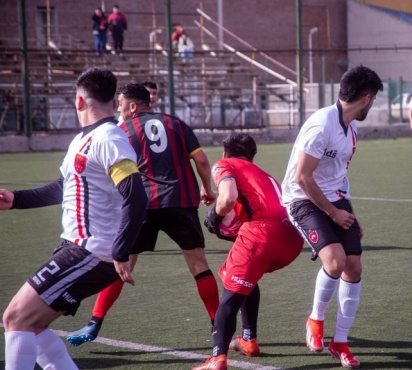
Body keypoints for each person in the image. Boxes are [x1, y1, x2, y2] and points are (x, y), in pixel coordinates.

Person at [1, 67, 147, 369]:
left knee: (15, 318)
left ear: (79, 101)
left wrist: (121, 251)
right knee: (33, 325)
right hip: (79, 250)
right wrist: (17, 199)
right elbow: (64, 188)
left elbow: (136, 195)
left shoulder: (108, 138)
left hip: (92, 252)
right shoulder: (85, 139)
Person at [67, 83, 220, 346]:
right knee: (199, 265)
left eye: (122, 104)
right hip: (181, 202)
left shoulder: (121, 130)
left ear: (134, 106)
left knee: (122, 264)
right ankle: (219, 324)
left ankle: (95, 322)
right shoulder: (177, 124)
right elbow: (203, 161)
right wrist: (208, 189)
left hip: (142, 205)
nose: (119, 109)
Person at [281, 64, 384, 369]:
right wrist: (334, 213)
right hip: (303, 200)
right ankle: (315, 319)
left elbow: (338, 177)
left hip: (337, 201)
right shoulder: (321, 125)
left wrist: (350, 213)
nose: (374, 103)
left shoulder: (351, 130)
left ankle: (340, 342)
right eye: (375, 98)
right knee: (336, 262)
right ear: (366, 98)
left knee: (353, 266)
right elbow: (302, 178)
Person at [193, 133, 304, 370]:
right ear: (252, 157)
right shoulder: (265, 175)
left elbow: (229, 198)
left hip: (262, 234)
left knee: (230, 297)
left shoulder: (224, 164)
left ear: (225, 154)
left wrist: (215, 216)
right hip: (292, 239)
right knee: (246, 280)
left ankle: (217, 358)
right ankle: (248, 339)